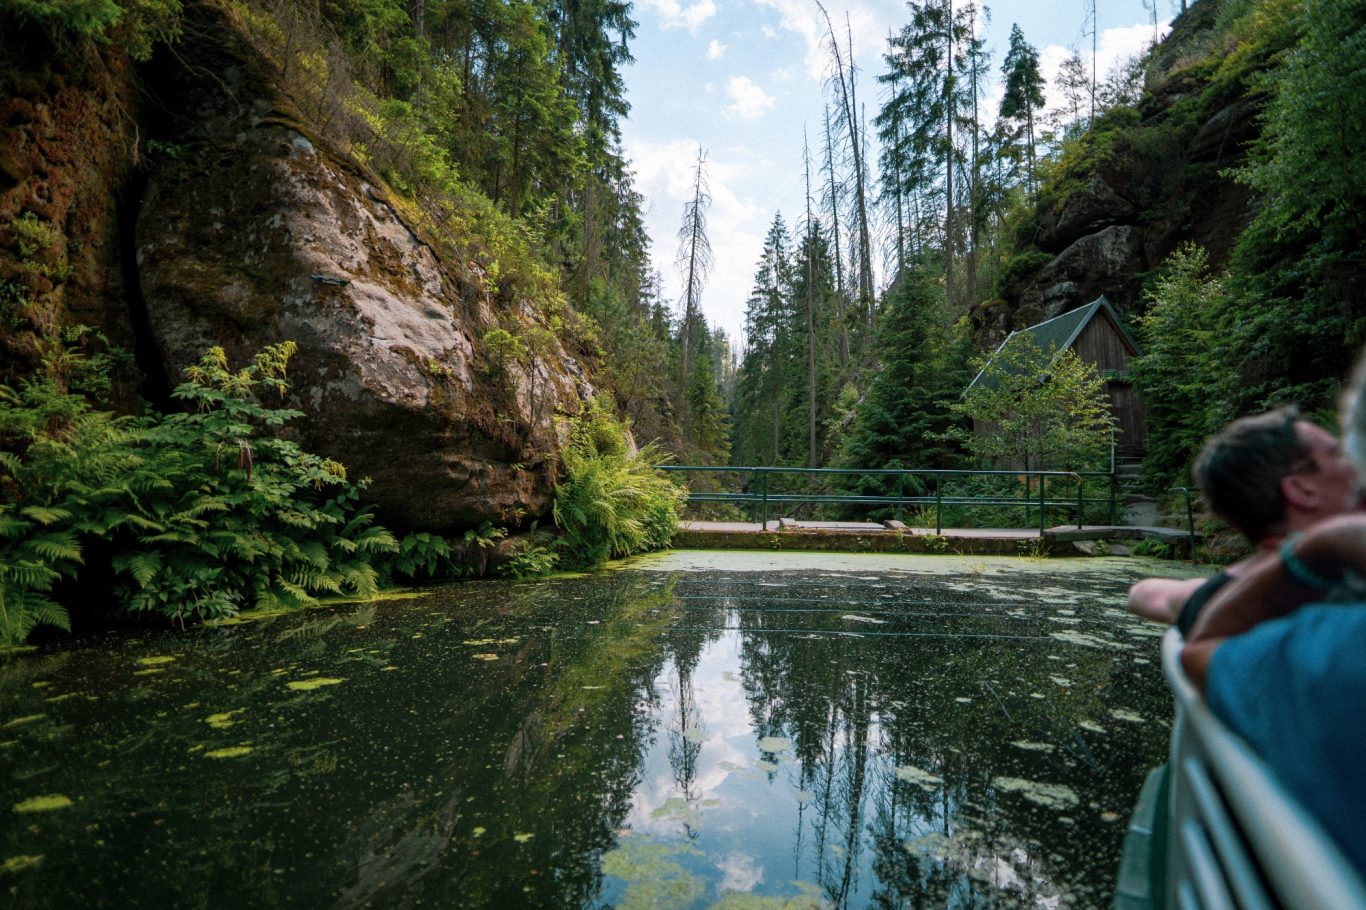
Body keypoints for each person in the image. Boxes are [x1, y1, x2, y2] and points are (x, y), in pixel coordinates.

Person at [1180, 364, 1366, 877]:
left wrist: (1319, 548)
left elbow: (1196, 640)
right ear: (1300, 490)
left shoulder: (1242, 618)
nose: (1352, 463)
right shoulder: (1331, 640)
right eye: (1337, 452)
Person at [1126, 407, 1360, 632]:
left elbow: (1144, 594)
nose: (1357, 463)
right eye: (1337, 454)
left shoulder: (1221, 601)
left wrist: (1204, 593)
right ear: (1301, 490)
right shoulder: (1346, 588)